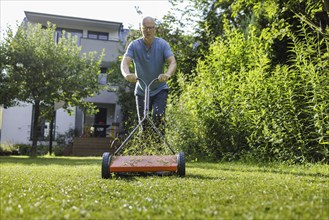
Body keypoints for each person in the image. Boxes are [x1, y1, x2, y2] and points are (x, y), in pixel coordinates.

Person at [121, 16, 177, 133]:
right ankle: (145, 149)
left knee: (158, 117)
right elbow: (125, 63)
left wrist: (167, 74)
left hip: (159, 89)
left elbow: (172, 62)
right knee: (143, 123)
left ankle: (160, 148)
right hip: (141, 90)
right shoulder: (134, 45)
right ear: (140, 28)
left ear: (155, 29)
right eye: (145, 28)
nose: (148, 30)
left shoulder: (162, 44)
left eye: (151, 28)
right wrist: (127, 74)